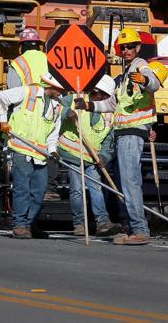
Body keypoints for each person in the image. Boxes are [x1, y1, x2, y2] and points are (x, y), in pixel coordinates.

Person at [76, 28, 160, 245]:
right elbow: (112, 104)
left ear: (138, 47)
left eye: (130, 46)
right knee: (128, 182)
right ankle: (134, 228)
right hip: (123, 133)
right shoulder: (124, 76)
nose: (126, 50)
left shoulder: (141, 66)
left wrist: (144, 79)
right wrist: (89, 105)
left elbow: (154, 83)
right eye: (123, 47)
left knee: (130, 182)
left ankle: (140, 230)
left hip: (132, 132)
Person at [0, 72, 66, 239]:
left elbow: (53, 132)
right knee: (22, 189)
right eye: (60, 89)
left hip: (40, 155)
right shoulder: (28, 92)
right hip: (21, 149)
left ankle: (29, 223)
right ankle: (19, 225)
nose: (62, 93)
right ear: (50, 86)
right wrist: (3, 120)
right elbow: (1, 97)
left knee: (39, 191)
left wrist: (53, 150)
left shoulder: (58, 105)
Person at [57, 75, 122, 238]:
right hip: (73, 153)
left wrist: (104, 157)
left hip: (93, 157)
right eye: (101, 95)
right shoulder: (74, 99)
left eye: (106, 97)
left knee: (96, 188)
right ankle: (79, 224)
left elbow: (108, 139)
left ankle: (102, 222)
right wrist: (67, 112)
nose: (103, 99)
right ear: (95, 92)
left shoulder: (109, 112)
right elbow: (53, 107)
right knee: (77, 190)